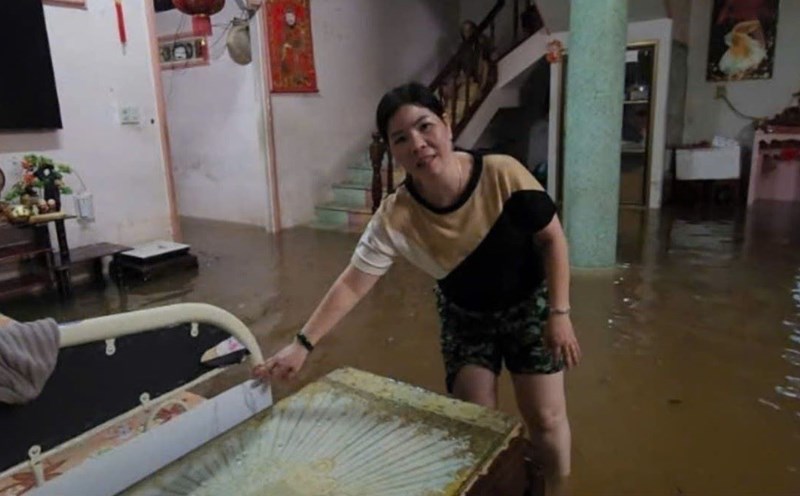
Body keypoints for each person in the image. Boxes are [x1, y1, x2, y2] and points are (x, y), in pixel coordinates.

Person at [253, 82, 581, 496]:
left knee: (546, 418)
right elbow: (353, 284)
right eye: (402, 139)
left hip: (528, 306)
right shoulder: (397, 215)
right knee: (475, 422)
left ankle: (559, 489)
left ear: (445, 126)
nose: (418, 145)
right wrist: (302, 344)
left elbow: (553, 239)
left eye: (425, 127)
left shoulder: (503, 174)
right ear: (393, 150)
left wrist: (559, 314)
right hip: (465, 315)